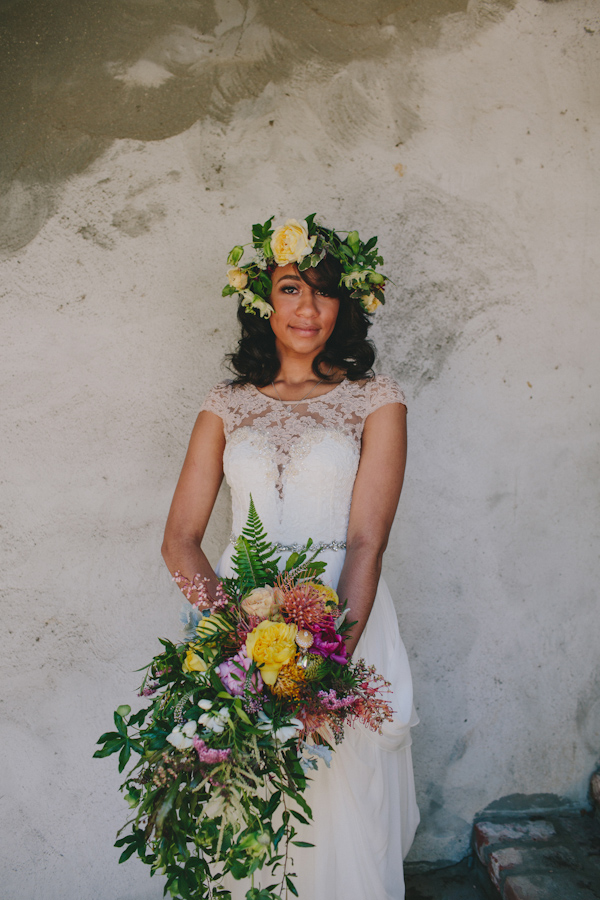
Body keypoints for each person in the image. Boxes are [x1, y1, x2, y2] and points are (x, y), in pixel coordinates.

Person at [161, 216, 419, 900]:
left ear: (347, 304)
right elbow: (180, 537)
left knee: (338, 804)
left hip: (344, 619)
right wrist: (237, 645)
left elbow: (367, 540)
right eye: (290, 288)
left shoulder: (376, 399)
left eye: (325, 293)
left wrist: (324, 670)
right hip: (238, 632)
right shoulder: (226, 405)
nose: (308, 309)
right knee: (246, 814)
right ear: (261, 302)